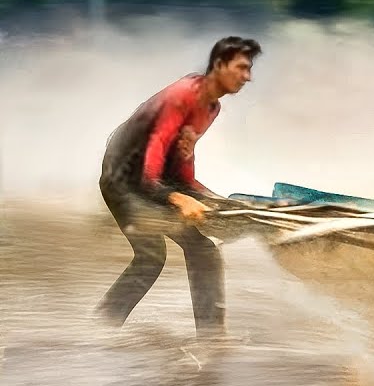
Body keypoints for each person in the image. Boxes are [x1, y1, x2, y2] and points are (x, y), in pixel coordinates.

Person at [95, 35, 261, 341]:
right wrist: (179, 199)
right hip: (123, 184)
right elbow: (149, 176)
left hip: (152, 185)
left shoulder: (210, 107)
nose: (247, 77)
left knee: (172, 255)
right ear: (219, 64)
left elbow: (182, 172)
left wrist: (216, 201)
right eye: (241, 68)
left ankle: (101, 328)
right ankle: (210, 340)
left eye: (249, 69)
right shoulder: (181, 96)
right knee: (164, 256)